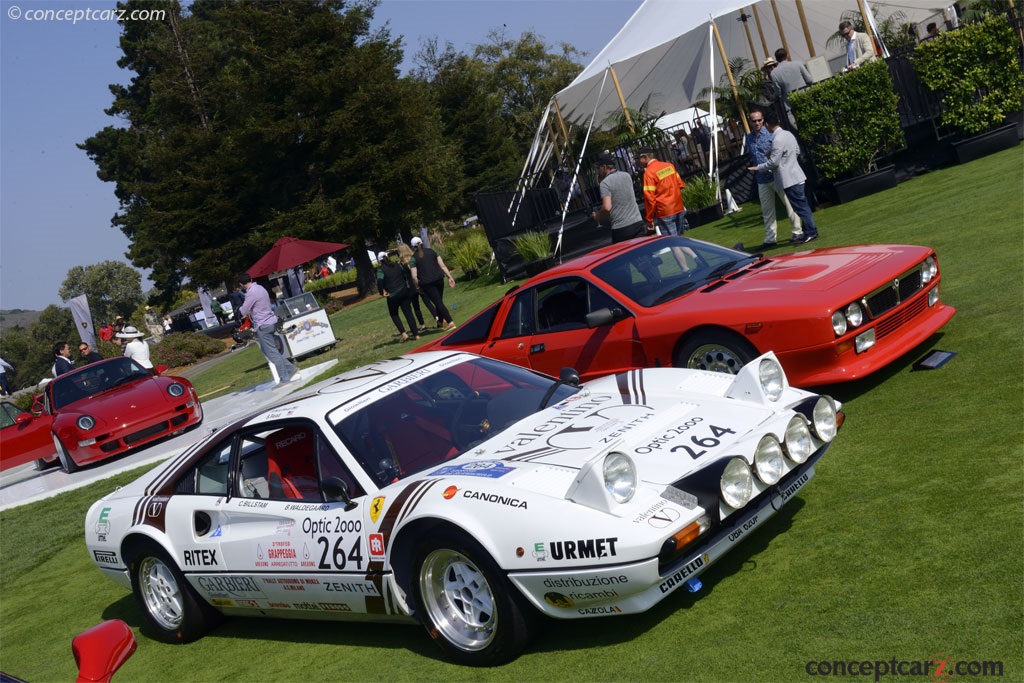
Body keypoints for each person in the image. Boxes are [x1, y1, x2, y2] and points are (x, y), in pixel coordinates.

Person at [747, 109, 819, 244]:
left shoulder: (773, 136)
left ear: (765, 122)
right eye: (754, 121)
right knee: (772, 210)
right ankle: (771, 238)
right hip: (764, 179)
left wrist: (780, 165)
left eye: (759, 120)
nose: (757, 123)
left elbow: (775, 160)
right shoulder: (750, 138)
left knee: (795, 206)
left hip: (779, 176)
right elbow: (794, 151)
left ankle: (801, 232)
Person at [237, 272, 299, 385]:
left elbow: (243, 311)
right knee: (270, 351)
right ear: (251, 278)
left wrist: (240, 309)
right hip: (271, 321)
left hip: (263, 325)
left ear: (241, 284)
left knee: (272, 353)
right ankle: (290, 369)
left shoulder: (250, 293)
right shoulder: (260, 288)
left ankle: (284, 378)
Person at [591, 152, 646, 243]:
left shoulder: (605, 183)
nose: (598, 171)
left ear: (604, 167)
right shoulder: (626, 175)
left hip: (621, 227)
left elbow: (607, 207)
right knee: (644, 252)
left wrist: (597, 216)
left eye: (598, 168)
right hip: (637, 222)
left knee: (624, 256)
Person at [409, 236, 457, 331]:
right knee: (438, 301)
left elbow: (414, 277)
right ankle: (440, 323)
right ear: (422, 243)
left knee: (438, 302)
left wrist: (418, 287)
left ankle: (450, 322)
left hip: (427, 283)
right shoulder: (432, 251)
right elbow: (442, 266)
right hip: (439, 279)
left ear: (413, 247)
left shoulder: (413, 259)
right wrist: (450, 277)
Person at [637, 147, 687, 236]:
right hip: (679, 207)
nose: (638, 162)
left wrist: (649, 219)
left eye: (639, 158)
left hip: (665, 211)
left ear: (645, 157)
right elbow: (681, 185)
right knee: (681, 241)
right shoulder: (669, 165)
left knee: (673, 244)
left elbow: (650, 199)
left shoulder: (648, 173)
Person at [376, 251, 419, 342]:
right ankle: (416, 335)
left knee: (394, 314)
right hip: (404, 291)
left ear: (379, 261)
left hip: (393, 295)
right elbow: (405, 274)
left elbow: (379, 281)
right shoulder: (397, 265)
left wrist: (381, 292)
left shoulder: (381, 269)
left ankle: (404, 334)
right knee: (409, 313)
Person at [770, 48, 813, 129]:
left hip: (790, 103)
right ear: (787, 55)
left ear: (776, 59)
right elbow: (810, 80)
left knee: (797, 125)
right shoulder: (798, 64)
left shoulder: (774, 73)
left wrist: (772, 97)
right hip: (805, 97)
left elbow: (778, 92)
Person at [398, 242, 433, 331]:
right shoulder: (414, 258)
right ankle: (437, 316)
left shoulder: (402, 263)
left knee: (416, 306)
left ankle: (422, 324)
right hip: (419, 282)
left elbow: (404, 276)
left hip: (411, 287)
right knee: (427, 302)